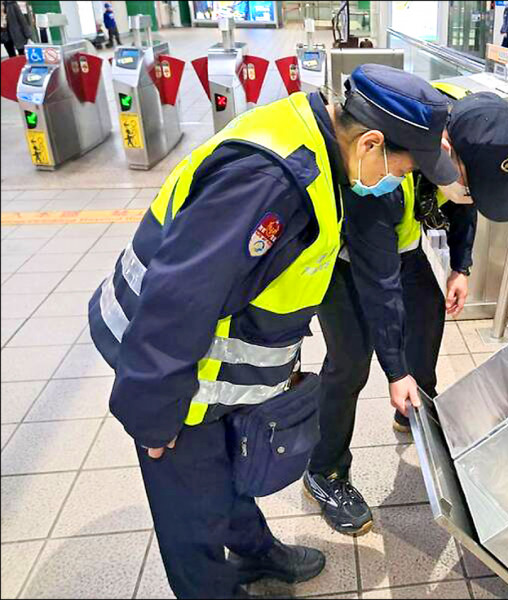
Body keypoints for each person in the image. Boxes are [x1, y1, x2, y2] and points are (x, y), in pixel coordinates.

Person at [87, 64, 456, 599]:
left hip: (214, 375)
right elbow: (178, 298)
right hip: (174, 377)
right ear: (373, 143)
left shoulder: (320, 143)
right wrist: (153, 416)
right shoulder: (271, 184)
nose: (400, 178)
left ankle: (258, 550)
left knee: (229, 472)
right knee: (192, 517)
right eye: (402, 166)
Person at [303, 88, 508, 536]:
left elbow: (467, 206)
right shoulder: (387, 166)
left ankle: (412, 411)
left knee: (426, 323)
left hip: (402, 250)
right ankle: (325, 471)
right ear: (446, 151)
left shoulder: (461, 164)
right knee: (351, 362)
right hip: (348, 260)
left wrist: (460, 267)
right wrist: (394, 371)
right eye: (470, 180)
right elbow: (379, 282)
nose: (470, 191)